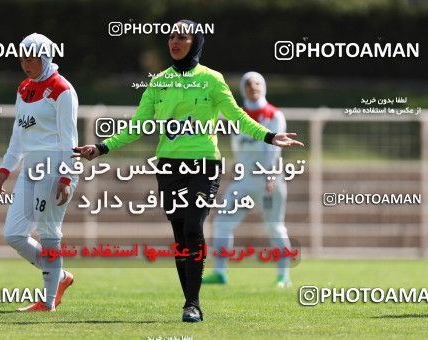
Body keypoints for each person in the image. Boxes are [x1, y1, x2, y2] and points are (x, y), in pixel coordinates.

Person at [73, 20, 303, 322]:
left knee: (194, 228)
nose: (174, 42)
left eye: (182, 37)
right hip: (169, 166)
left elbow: (237, 117)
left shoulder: (211, 79)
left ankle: (192, 304)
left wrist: (270, 136)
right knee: (181, 236)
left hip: (204, 165)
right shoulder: (159, 82)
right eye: (171, 37)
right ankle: (189, 299)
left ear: (195, 42)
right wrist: (102, 147)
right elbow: (138, 125)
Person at [0, 33, 78, 312]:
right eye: (23, 59)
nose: (27, 64)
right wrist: (6, 168)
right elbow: (18, 133)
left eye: (32, 59)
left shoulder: (62, 90)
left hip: (54, 169)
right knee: (13, 234)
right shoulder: (23, 88)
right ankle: (59, 276)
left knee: (49, 232)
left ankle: (48, 301)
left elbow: (69, 140)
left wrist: (66, 177)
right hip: (30, 168)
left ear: (46, 58)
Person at [202, 71, 293, 288]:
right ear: (243, 88)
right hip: (244, 180)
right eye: (249, 84)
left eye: (258, 83)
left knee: (274, 227)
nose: (254, 88)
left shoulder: (274, 115)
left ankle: (284, 276)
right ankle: (220, 273)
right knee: (222, 223)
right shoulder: (237, 116)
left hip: (268, 180)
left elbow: (274, 149)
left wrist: (270, 174)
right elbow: (238, 148)